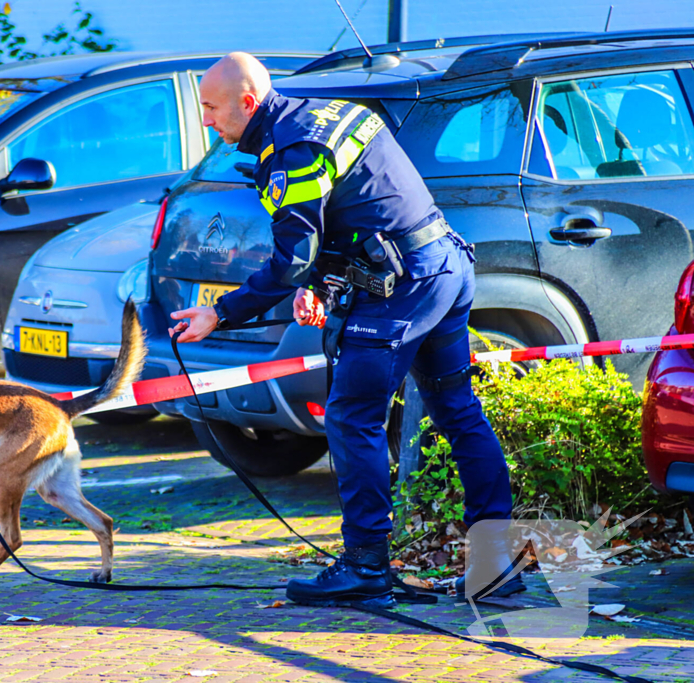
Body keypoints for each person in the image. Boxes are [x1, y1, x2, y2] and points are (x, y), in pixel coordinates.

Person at [168, 52, 522, 607]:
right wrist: (324, 286)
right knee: (456, 409)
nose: (206, 121)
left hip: (403, 285)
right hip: (442, 265)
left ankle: (365, 566)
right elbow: (364, 206)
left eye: (211, 108)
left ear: (247, 102)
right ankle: (496, 567)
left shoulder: (295, 149)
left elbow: (293, 255)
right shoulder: (328, 113)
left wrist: (223, 311)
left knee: (352, 416)